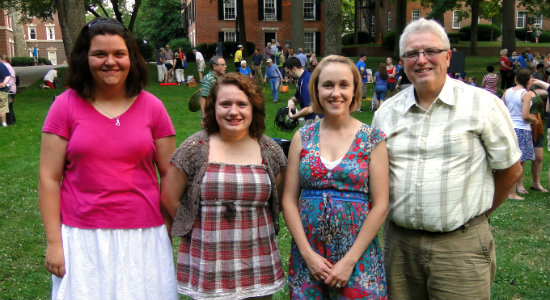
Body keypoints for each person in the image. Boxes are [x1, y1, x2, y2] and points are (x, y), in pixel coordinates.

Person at [372, 18, 522, 300]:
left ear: (448, 56)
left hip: (460, 247)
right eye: (412, 54)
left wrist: (477, 217)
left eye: (430, 51)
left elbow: (510, 170)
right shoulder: (386, 113)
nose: (421, 60)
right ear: (403, 61)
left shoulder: (484, 105)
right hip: (400, 246)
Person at [38, 17, 178, 300]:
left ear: (131, 58)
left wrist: (168, 222)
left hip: (143, 235)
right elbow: (48, 178)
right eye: (99, 54)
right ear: (84, 58)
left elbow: (171, 174)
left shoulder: (153, 108)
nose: (110, 62)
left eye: (119, 54)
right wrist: (54, 242)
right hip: (82, 236)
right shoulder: (64, 106)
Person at [162, 72, 287, 300]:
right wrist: (196, 230)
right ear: (213, 108)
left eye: (242, 104)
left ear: (253, 108)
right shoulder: (194, 147)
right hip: (209, 261)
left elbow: (279, 197)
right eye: (225, 104)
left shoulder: (270, 150)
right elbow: (169, 197)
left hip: (257, 258)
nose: (233, 111)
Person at [282, 55, 389, 299]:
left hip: (358, 256)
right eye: (328, 85)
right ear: (316, 89)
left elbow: (381, 205)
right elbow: (288, 200)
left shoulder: (373, 140)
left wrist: (349, 261)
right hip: (308, 257)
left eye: (344, 85)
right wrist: (308, 255)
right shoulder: (303, 137)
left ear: (355, 90)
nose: (335, 93)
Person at [502, 68, 538, 199]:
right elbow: (525, 115)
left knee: (512, 161)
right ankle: (512, 193)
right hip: (522, 129)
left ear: (516, 79)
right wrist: (534, 120)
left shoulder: (507, 92)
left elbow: (501, 107)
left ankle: (510, 190)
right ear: (528, 81)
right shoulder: (526, 94)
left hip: (509, 128)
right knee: (519, 163)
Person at [284, 57, 319, 125]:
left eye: (288, 72)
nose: (288, 75)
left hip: (316, 119)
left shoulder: (306, 81)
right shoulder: (303, 78)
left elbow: (310, 109)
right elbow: (297, 97)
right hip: (312, 118)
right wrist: (291, 101)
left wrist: (293, 116)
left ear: (294, 69)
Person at [1, 55, 15, 125]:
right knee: (10, 106)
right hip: (11, 88)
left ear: (2, 60)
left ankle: (9, 121)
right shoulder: (8, 66)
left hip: (8, 88)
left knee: (7, 106)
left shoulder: (5, 66)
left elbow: (9, 78)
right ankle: (11, 120)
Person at [0, 57, 9, 127]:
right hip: (2, 90)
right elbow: (8, 76)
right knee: (3, 107)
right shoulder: (2, 65)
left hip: (2, 89)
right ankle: (4, 123)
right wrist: (4, 83)